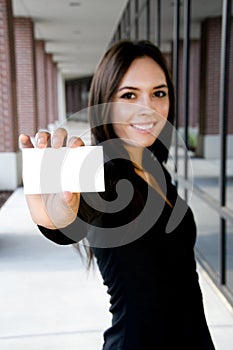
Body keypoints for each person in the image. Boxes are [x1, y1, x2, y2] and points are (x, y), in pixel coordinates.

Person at [19, 40, 216, 349]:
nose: (148, 108)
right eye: (129, 95)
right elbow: (70, 220)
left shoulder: (155, 166)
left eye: (158, 93)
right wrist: (55, 218)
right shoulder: (101, 170)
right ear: (106, 103)